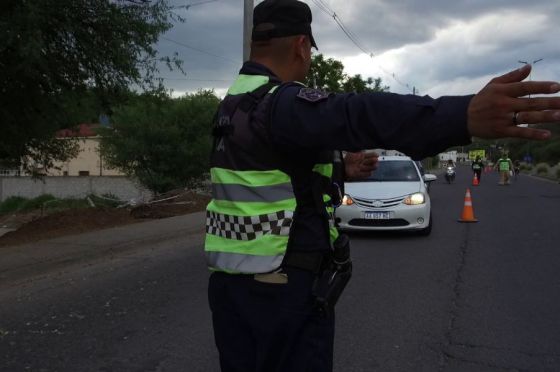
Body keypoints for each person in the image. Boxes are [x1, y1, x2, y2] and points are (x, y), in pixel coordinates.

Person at [204, 0, 560, 370]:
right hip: (282, 290)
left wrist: (340, 165)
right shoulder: (281, 104)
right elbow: (361, 113)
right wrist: (462, 116)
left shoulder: (232, 106)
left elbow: (270, 167)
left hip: (231, 288)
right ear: (301, 46)